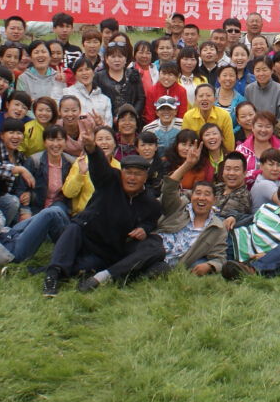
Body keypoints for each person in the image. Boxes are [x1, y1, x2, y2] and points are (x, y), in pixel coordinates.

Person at [42, 120, 165, 296]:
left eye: (138, 174)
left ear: (145, 177)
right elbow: (99, 168)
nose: (132, 178)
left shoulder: (150, 202)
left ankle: (101, 276)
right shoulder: (110, 180)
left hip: (108, 253)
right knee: (73, 228)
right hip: (86, 237)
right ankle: (51, 275)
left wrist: (144, 228)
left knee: (156, 254)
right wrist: (92, 148)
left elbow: (151, 220)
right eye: (128, 172)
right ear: (120, 173)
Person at [150, 149, 229, 276]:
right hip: (152, 250)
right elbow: (169, 188)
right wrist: (187, 164)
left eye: (207, 194)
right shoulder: (179, 206)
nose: (201, 198)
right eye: (198, 193)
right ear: (191, 196)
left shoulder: (217, 228)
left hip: (172, 266)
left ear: (214, 200)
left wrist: (209, 266)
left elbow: (220, 258)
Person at [225, 182, 280, 266]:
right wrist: (233, 216)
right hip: (232, 240)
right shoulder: (266, 208)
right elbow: (248, 220)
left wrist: (269, 257)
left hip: (251, 259)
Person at [22, 125, 77, 217]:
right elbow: (21, 188)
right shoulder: (34, 161)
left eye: (59, 139)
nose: (55, 144)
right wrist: (24, 211)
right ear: (44, 142)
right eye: (51, 140)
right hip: (35, 207)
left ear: (66, 142)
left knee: (56, 210)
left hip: (59, 209)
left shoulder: (71, 163)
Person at [180, 83, 236, 153]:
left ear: (215, 99)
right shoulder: (188, 116)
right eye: (201, 96)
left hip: (218, 153)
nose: (204, 99)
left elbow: (229, 141)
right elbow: (186, 141)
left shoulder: (224, 115)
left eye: (208, 95)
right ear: (195, 100)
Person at [243, 56, 280, 120]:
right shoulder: (249, 89)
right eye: (257, 70)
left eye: (264, 70)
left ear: (272, 70)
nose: (261, 74)